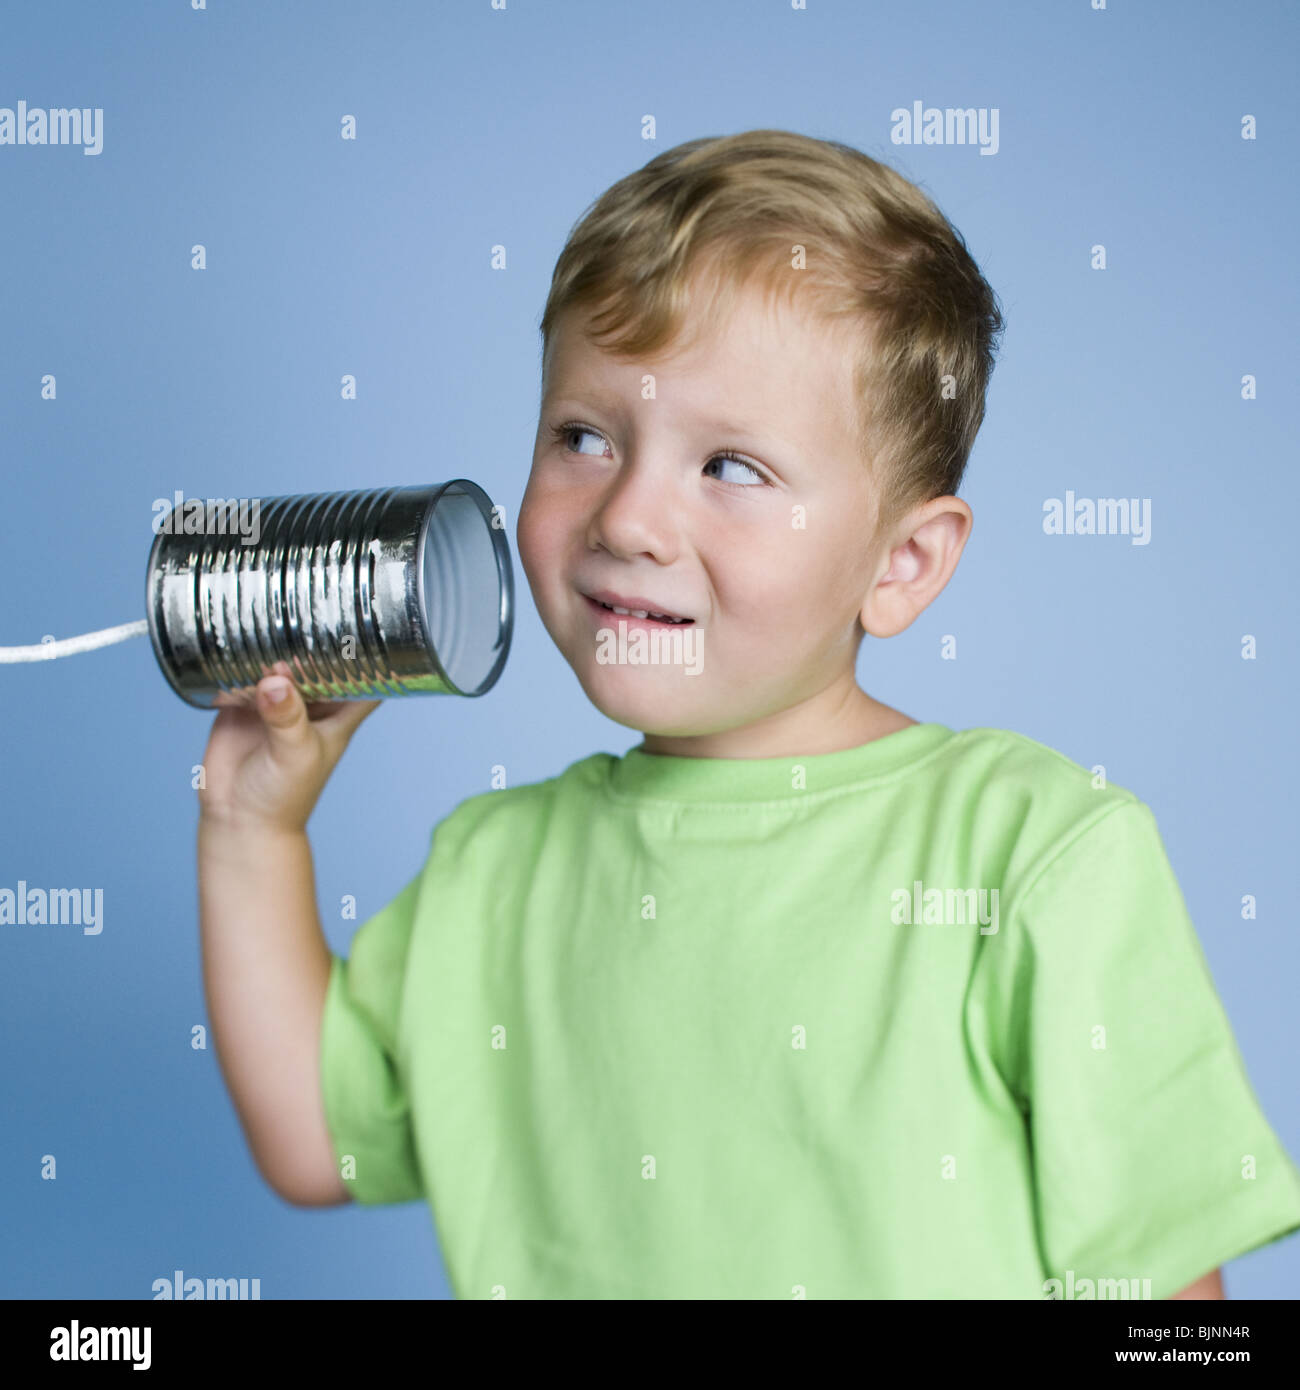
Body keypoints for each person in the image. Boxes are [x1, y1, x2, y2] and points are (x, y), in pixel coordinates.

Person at [196, 129, 1300, 1299]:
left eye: (730, 466)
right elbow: (321, 1142)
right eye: (583, 436)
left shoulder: (1031, 852)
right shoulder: (490, 869)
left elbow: (1164, 1290)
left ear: (903, 563)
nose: (627, 517)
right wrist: (250, 830)